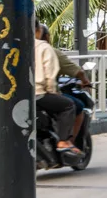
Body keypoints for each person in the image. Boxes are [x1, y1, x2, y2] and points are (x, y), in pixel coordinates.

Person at [33, 22, 80, 155]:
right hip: (38, 93)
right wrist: (54, 93)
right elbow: (50, 76)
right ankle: (63, 141)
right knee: (68, 105)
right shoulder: (43, 47)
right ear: (39, 30)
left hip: (14, 96)